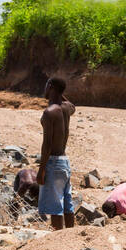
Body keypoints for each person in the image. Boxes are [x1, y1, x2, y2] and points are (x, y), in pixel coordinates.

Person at [37, 76, 76, 230]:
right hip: (64, 161)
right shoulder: (66, 109)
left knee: (55, 207)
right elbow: (72, 105)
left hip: (52, 162)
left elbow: (47, 144)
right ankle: (71, 236)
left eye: (47, 85)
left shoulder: (49, 112)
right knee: (67, 205)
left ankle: (57, 238)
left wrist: (41, 169)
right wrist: (59, 94)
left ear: (51, 86)